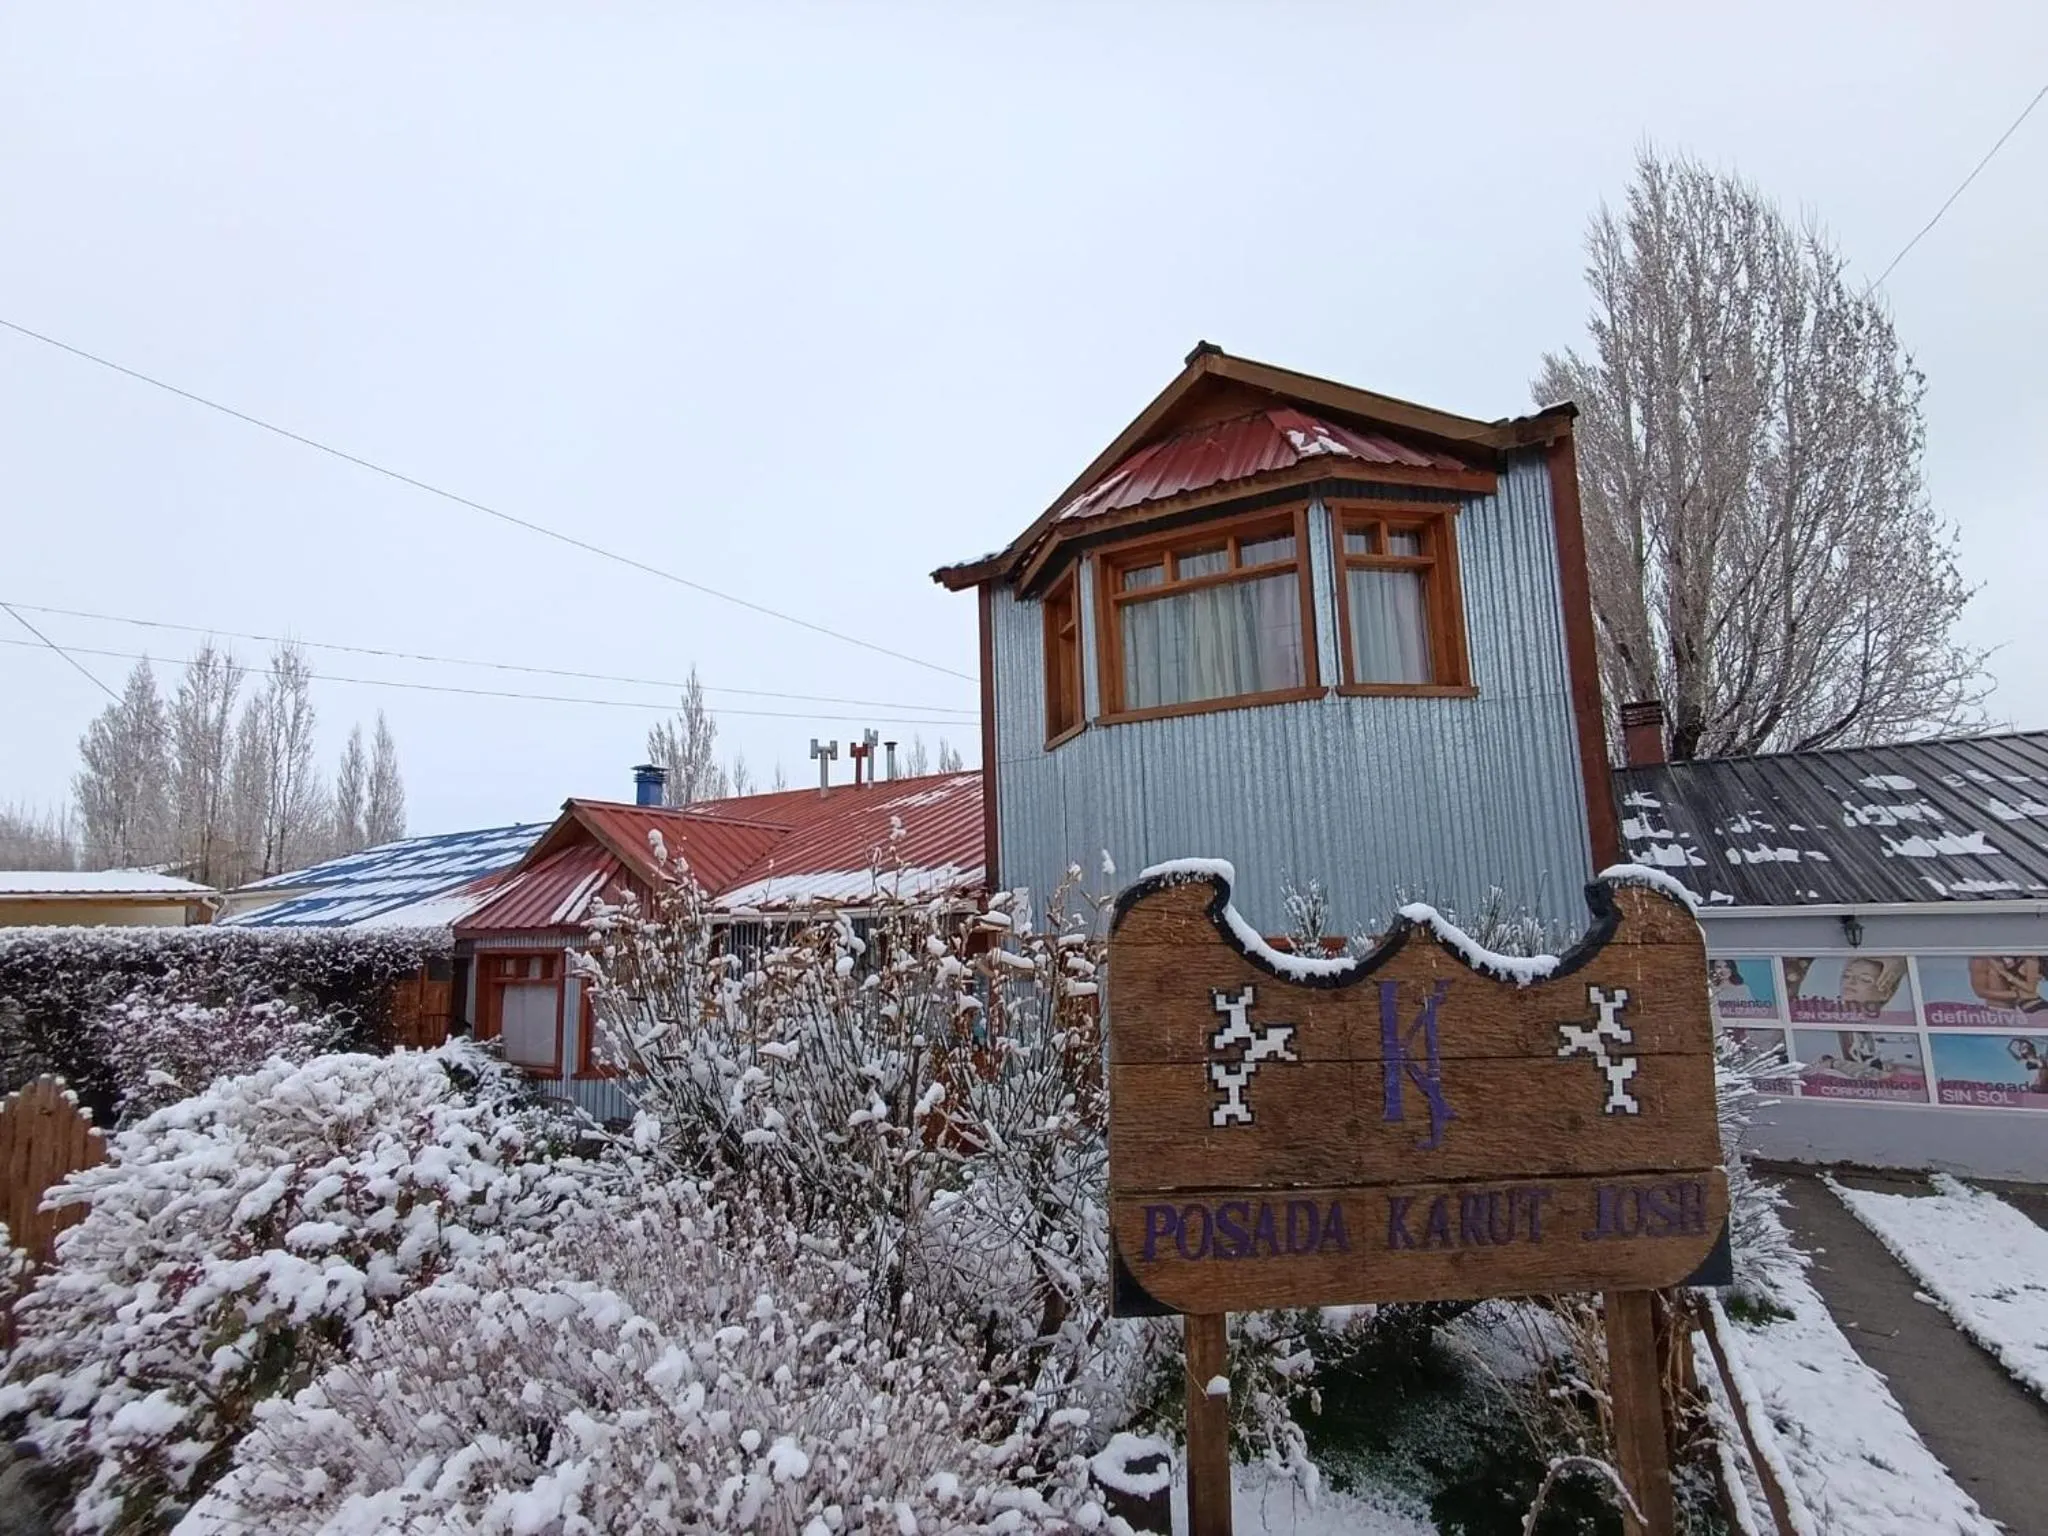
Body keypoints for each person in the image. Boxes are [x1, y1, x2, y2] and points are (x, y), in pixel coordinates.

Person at [1971, 956, 2048, 1014]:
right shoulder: (2013, 958)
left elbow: (2031, 988)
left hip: (2036, 1005)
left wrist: (2007, 975)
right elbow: (1980, 992)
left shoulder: (2031, 960)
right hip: (2023, 1007)